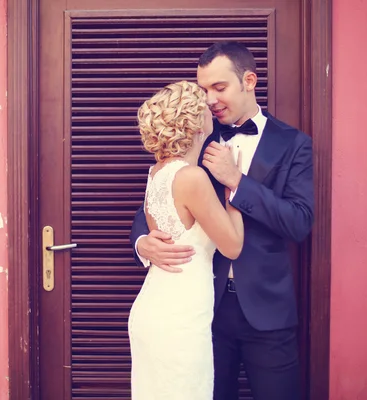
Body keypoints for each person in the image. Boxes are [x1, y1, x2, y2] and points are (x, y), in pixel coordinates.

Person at [129, 42, 314, 400]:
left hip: (268, 313)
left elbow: (300, 221)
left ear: (249, 80)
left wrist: (237, 182)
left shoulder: (293, 144)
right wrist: (143, 242)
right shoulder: (194, 136)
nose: (210, 100)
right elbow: (153, 202)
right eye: (203, 90)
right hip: (202, 311)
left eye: (219, 87)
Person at [128, 80, 245, 400]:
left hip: (156, 306)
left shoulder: (157, 172)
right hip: (179, 317)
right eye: (204, 107)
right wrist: (233, 187)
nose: (212, 109)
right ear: (195, 122)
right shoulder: (191, 178)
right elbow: (232, 245)